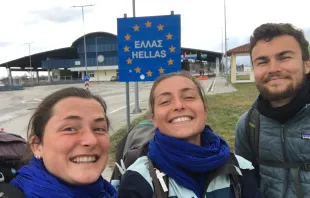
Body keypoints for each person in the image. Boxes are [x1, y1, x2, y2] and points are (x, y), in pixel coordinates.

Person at [118, 71, 259, 198]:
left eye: (189, 97)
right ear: (154, 119)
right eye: (165, 101)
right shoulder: (137, 179)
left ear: (205, 109)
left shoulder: (242, 169)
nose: (179, 105)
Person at [235, 23, 310, 197]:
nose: (273, 69)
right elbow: (247, 186)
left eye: (284, 57)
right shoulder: (248, 126)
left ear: (307, 65)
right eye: (262, 61)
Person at [8, 87, 117, 198]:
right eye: (69, 129)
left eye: (99, 129)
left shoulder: (109, 192)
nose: (91, 140)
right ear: (37, 145)